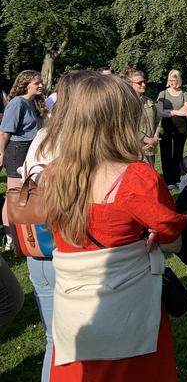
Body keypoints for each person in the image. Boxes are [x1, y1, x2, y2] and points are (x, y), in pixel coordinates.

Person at [43, 72, 187, 380]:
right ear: (122, 120)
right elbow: (172, 239)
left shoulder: (54, 175)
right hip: (130, 317)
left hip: (74, 320)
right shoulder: (137, 178)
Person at [22, 70, 94, 381]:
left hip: (36, 246)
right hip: (69, 248)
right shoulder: (77, 143)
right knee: (83, 343)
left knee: (54, 340)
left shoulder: (42, 136)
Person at [0, 70, 47, 249]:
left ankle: (26, 231)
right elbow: (4, 132)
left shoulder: (33, 103)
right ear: (26, 84)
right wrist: (1, 153)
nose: (41, 85)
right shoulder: (17, 103)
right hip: (17, 150)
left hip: (30, 150)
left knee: (28, 193)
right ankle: (11, 237)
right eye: (37, 83)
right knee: (13, 194)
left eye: (41, 82)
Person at [157, 69, 187, 188]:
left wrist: (169, 111)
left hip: (181, 126)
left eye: (174, 80)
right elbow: (160, 112)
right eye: (170, 80)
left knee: (177, 152)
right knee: (166, 152)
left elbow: (186, 112)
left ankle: (176, 178)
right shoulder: (163, 94)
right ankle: (168, 180)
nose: (172, 83)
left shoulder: (184, 94)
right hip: (166, 125)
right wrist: (177, 112)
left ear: (178, 80)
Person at [125, 70, 160, 167]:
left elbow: (158, 121)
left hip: (151, 148)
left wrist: (156, 136)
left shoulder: (148, 101)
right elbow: (127, 126)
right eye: (139, 83)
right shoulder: (127, 104)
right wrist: (145, 139)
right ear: (130, 84)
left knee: (151, 173)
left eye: (144, 81)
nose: (143, 84)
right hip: (136, 149)